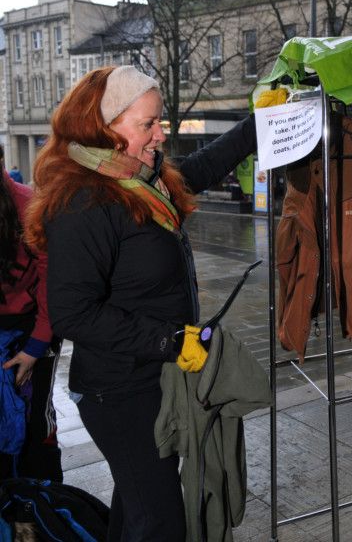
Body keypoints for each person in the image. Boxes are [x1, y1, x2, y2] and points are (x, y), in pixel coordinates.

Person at [25, 66, 257, 541]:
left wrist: (260, 122)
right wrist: (171, 341)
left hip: (154, 379)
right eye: (147, 124)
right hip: (119, 393)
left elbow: (207, 164)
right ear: (105, 128)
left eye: (160, 121)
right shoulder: (83, 200)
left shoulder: (143, 182)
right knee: (161, 523)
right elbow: (73, 312)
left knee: (138, 509)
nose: (160, 134)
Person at [0, 148, 62, 482]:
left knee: (36, 422)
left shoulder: (29, 206)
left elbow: (50, 281)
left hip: (31, 329)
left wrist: (35, 348)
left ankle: (45, 505)